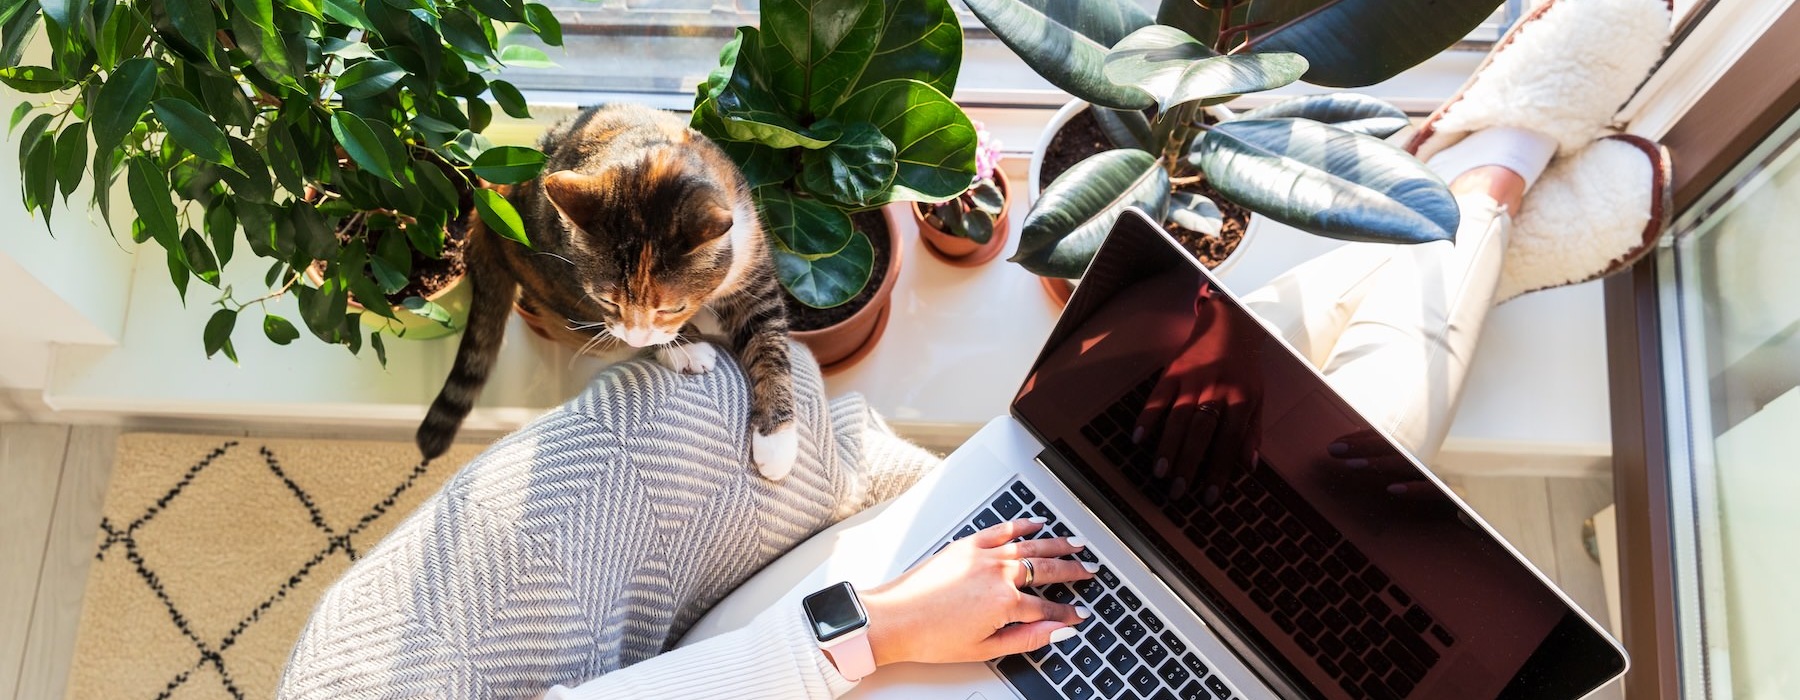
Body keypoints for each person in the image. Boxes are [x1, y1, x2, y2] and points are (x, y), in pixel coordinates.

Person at [278, 1, 1671, 696]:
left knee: (1243, 510)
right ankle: (1472, 206)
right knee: (1275, 550)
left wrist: (862, 633)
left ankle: (1482, 184)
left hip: (799, 657)